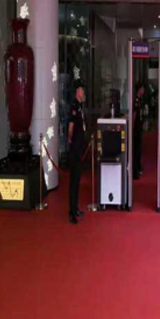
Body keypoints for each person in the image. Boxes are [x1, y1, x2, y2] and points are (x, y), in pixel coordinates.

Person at [68, 80, 87, 225]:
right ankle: (72, 212)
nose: (84, 92)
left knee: (78, 179)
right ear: (77, 91)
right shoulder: (74, 106)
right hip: (75, 147)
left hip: (79, 147)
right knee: (74, 180)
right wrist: (70, 140)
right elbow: (71, 126)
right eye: (82, 90)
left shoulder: (80, 106)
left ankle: (76, 208)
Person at [133, 82, 145, 180]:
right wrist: (132, 129)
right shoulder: (136, 101)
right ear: (139, 90)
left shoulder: (140, 100)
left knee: (139, 149)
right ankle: (135, 170)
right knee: (136, 150)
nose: (143, 91)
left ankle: (138, 166)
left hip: (139, 128)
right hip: (135, 130)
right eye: (142, 89)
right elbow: (134, 115)